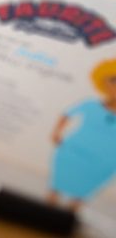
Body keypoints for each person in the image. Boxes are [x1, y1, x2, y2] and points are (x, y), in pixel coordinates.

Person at [48, 58, 116, 211]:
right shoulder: (90, 104)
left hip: (105, 161)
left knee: (83, 193)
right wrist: (56, 133)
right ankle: (46, 213)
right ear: (104, 82)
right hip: (74, 152)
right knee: (57, 187)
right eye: (114, 80)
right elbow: (66, 114)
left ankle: (67, 220)